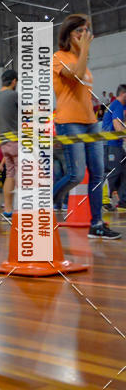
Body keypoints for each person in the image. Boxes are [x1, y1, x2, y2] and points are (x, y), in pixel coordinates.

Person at [52, 14, 120, 239]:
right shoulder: (58, 57)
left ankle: (96, 224)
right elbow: (78, 75)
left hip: (92, 124)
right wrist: (83, 52)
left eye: (86, 31)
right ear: (69, 34)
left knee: (97, 175)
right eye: (79, 31)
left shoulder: (81, 59)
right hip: (69, 123)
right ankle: (44, 203)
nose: (84, 35)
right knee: (75, 174)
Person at [0, 69, 18, 218]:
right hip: (17, 141)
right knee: (22, 175)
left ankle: (8, 209)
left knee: (10, 174)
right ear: (14, 81)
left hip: (4, 142)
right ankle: (22, 209)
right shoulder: (13, 95)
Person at [102, 83, 126, 208]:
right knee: (113, 171)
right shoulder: (117, 105)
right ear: (123, 94)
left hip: (116, 144)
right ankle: (105, 200)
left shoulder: (117, 106)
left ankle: (123, 201)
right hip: (111, 145)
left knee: (124, 171)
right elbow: (117, 125)